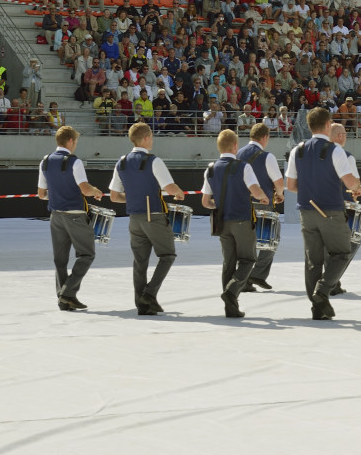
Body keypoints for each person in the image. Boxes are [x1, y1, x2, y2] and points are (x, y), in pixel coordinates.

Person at [285, 108, 361, 320]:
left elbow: (291, 185)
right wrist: (357, 187)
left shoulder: (297, 150)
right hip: (330, 210)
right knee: (341, 253)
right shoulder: (334, 150)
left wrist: (311, 189)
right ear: (328, 124)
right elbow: (349, 182)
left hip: (306, 212)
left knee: (313, 260)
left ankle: (317, 307)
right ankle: (323, 291)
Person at [108, 122, 186, 315]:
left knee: (140, 262)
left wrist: (134, 198)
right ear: (145, 138)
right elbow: (169, 187)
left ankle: (142, 304)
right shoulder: (153, 161)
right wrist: (179, 193)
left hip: (133, 217)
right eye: (151, 136)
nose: (152, 139)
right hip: (154, 216)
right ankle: (149, 294)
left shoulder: (122, 162)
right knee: (167, 255)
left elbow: (114, 196)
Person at [200, 129, 269, 319]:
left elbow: (206, 202)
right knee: (248, 260)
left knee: (228, 263)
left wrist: (220, 204)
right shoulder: (243, 166)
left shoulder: (211, 169)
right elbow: (256, 192)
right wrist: (264, 197)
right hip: (242, 220)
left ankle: (230, 307)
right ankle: (231, 291)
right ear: (236, 146)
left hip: (222, 223)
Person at [37, 126, 104, 311]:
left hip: (56, 216)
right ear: (71, 141)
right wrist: (96, 191)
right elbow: (85, 189)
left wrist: (58, 194)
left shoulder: (46, 161)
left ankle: (64, 298)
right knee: (87, 254)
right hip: (75, 215)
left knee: (60, 260)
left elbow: (41, 194)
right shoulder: (74, 162)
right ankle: (67, 293)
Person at [236, 123, 285, 290]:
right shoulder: (267, 156)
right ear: (265, 137)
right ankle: (257, 274)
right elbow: (278, 182)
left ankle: (243, 279)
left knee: (245, 243)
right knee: (271, 239)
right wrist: (279, 194)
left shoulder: (238, 154)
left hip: (241, 205)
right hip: (262, 204)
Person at [328, 122, 360, 295]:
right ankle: (332, 279)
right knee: (350, 244)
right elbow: (354, 184)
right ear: (339, 136)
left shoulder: (321, 154)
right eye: (345, 134)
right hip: (344, 206)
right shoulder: (346, 156)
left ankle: (330, 280)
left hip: (321, 206)